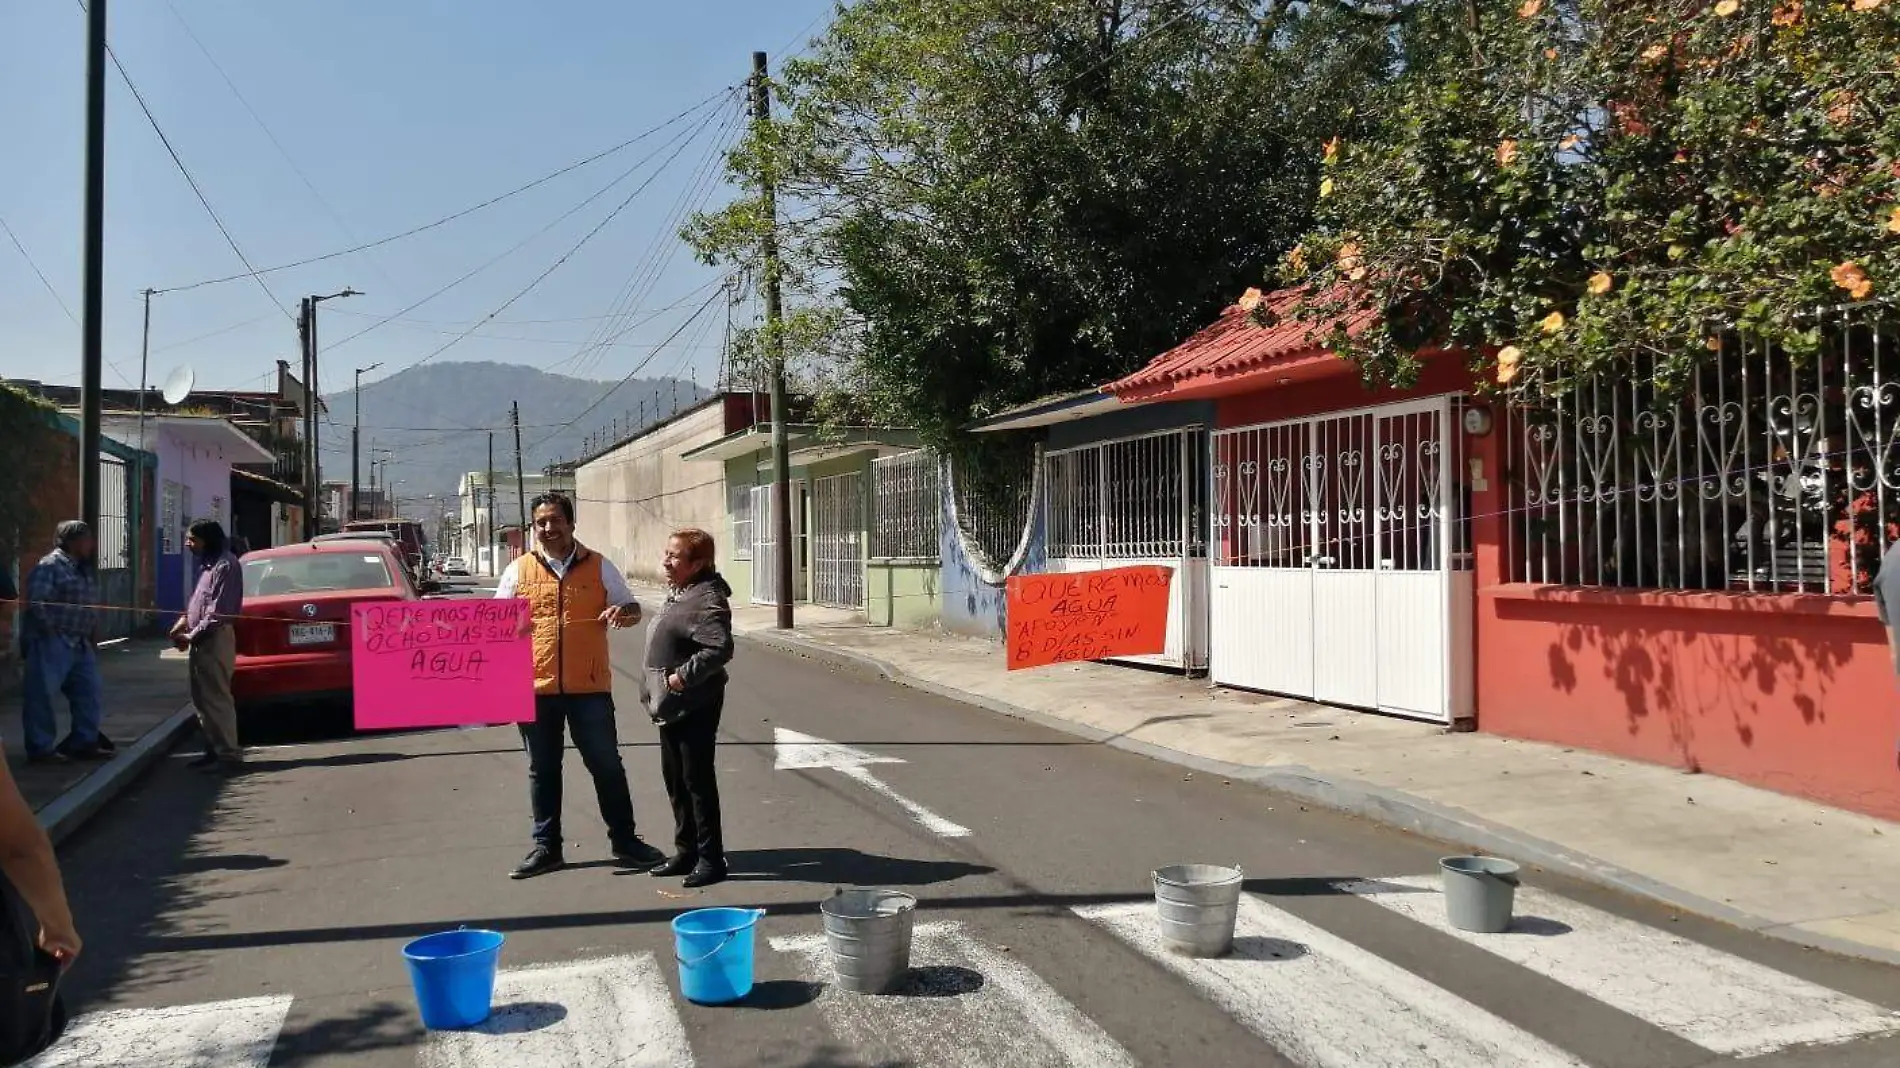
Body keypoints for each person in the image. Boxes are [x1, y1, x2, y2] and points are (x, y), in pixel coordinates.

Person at [494, 492, 667, 880]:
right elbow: (494, 629)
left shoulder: (600, 567)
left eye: (556, 520)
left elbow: (632, 607)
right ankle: (547, 848)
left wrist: (624, 612)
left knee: (606, 765)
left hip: (589, 689)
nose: (549, 528)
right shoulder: (517, 572)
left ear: (571, 524)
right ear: (533, 527)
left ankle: (625, 841)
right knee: (543, 770)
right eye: (541, 522)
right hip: (535, 690)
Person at [642, 528, 735, 889]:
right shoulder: (682, 591)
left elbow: (719, 649)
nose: (666, 561)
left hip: (694, 703)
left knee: (696, 781)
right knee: (676, 779)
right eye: (666, 554)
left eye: (675, 556)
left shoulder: (707, 599)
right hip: (671, 705)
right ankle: (687, 850)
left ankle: (711, 859)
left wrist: (681, 677)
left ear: (698, 563)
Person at [19, 523, 109, 764]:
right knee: (41, 696)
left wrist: (92, 634)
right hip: (53, 640)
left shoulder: (83, 569)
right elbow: (37, 602)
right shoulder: (50, 566)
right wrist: (50, 631)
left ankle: (84, 742)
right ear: (71, 541)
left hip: (80, 641)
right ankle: (41, 748)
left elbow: (89, 604)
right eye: (87, 539)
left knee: (89, 692)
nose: (91, 545)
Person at [171, 520, 243, 771]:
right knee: (202, 699)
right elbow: (199, 602)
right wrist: (183, 624)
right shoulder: (207, 566)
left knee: (216, 698)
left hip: (215, 638)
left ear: (207, 539)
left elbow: (218, 611)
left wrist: (192, 635)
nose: (188, 544)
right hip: (201, 639)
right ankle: (214, 749)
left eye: (192, 539)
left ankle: (228, 755)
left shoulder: (226, 565)